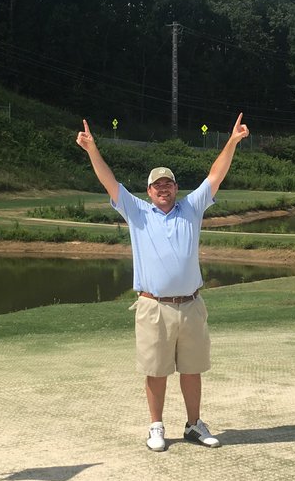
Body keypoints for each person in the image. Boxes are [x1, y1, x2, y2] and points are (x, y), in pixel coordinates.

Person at [76, 113, 251, 452]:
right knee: (155, 371)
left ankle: (194, 425)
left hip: (191, 304)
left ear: (175, 188)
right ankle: (156, 427)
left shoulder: (192, 208)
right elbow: (110, 182)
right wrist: (92, 150)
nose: (163, 189)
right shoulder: (137, 211)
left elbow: (215, 175)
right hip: (153, 306)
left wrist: (232, 141)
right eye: (157, 185)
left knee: (192, 369)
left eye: (168, 184)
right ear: (148, 190)